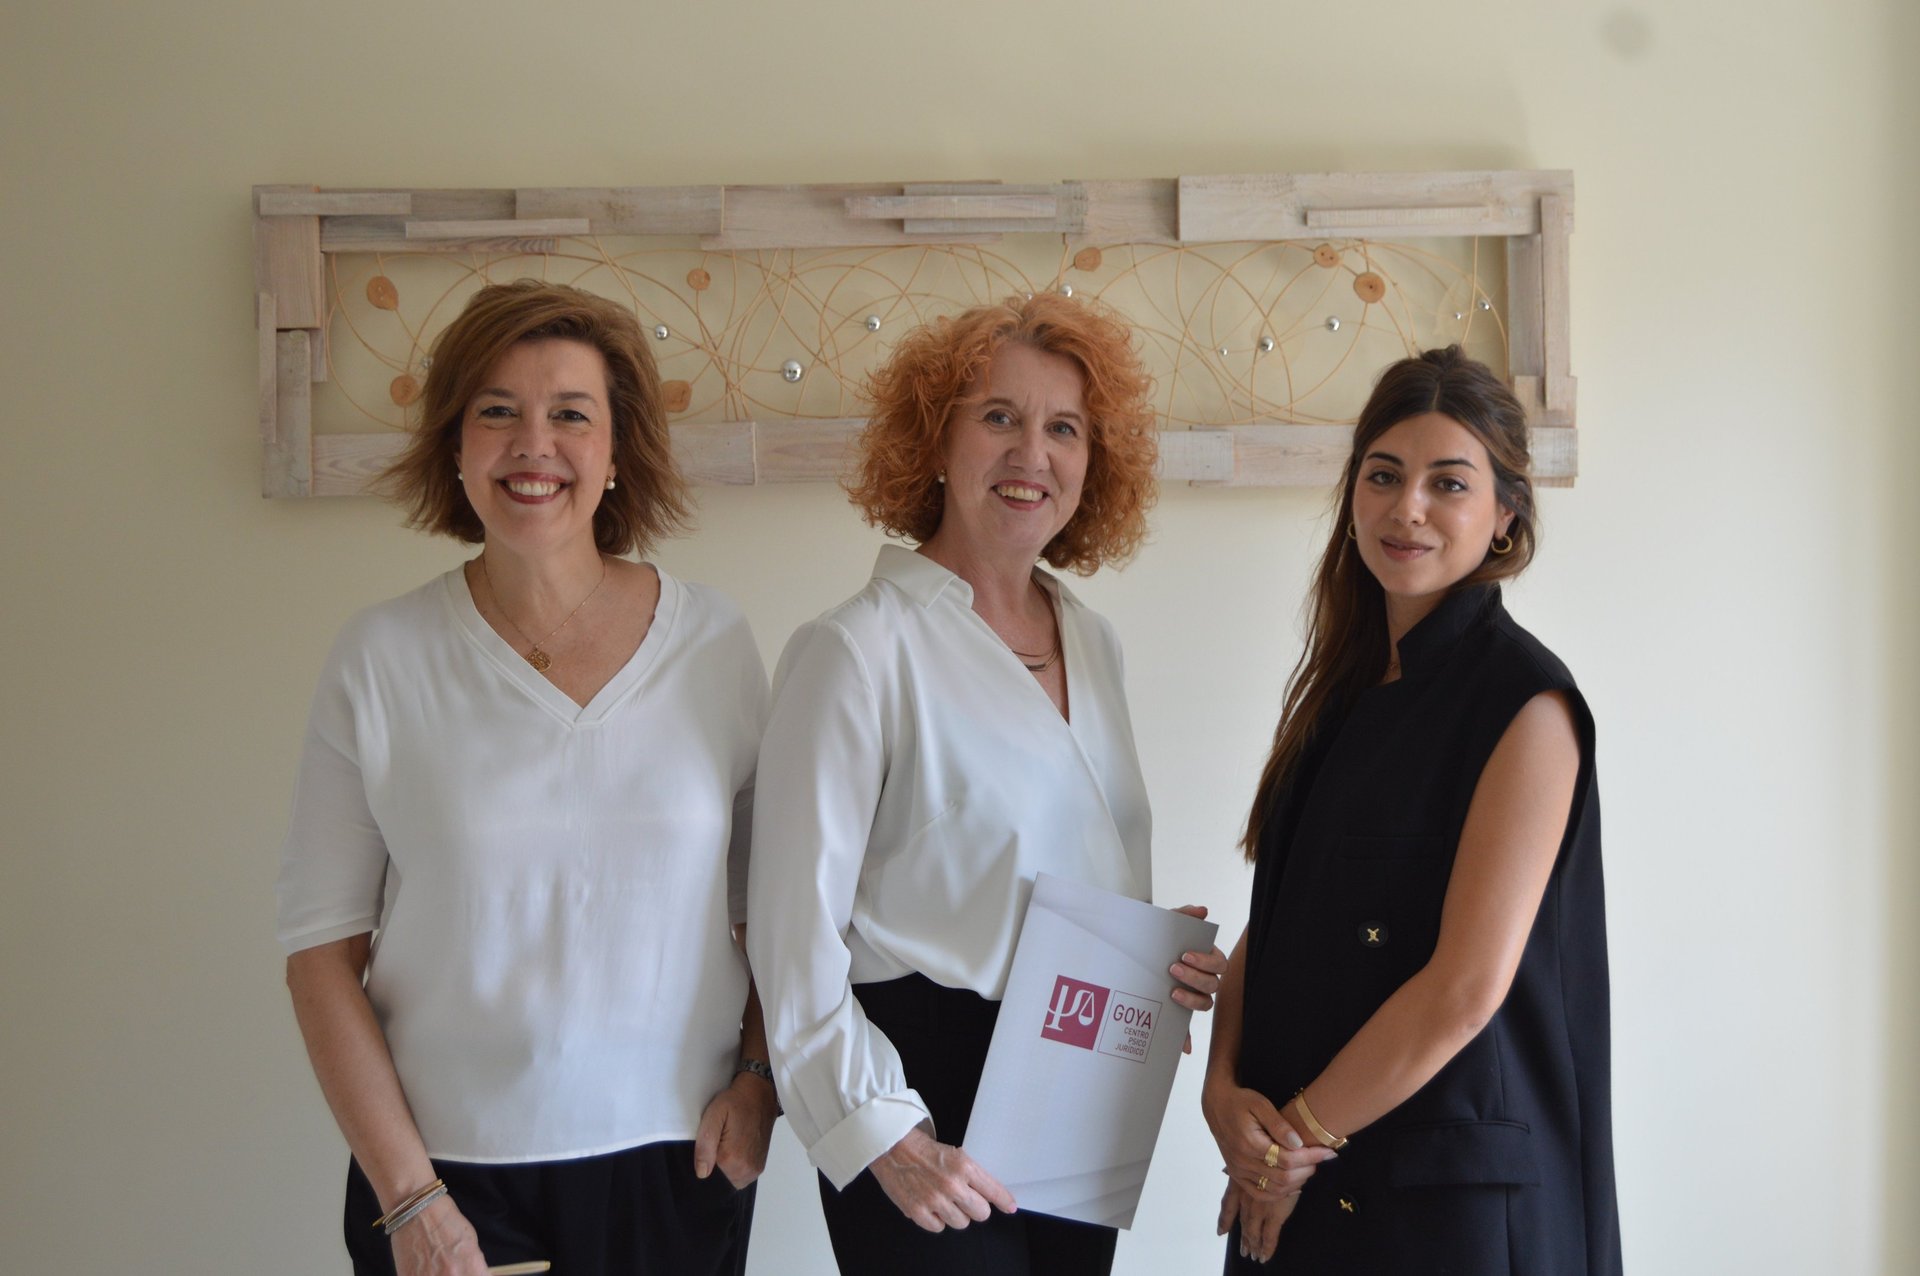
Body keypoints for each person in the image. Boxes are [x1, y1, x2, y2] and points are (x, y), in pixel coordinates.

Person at [276, 281, 776, 1276]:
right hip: (452, 1180)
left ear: (617, 450)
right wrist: (408, 1195)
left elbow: (773, 909)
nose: (531, 443)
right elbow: (318, 951)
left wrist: (761, 1078)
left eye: (570, 415)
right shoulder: (383, 655)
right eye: (496, 410)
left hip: (679, 1160)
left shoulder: (715, 642)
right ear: (456, 445)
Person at [746, 293, 1228, 1275]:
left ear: (1095, 463)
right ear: (935, 439)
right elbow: (791, 941)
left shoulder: (1092, 642)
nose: (1031, 453)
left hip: (1078, 1080)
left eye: (1064, 429)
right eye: (997, 417)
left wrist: (1146, 962)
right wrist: (883, 1134)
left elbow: (1055, 861)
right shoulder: (856, 649)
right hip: (927, 1089)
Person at [1202, 346, 1621, 1271]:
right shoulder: (1341, 694)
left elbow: (1464, 992)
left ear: (1506, 514)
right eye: (1383, 475)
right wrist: (1221, 1085)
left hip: (1436, 1208)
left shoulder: (1528, 705)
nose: (1407, 509)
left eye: (1449, 482)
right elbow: (1275, 923)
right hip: (1300, 1177)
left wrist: (1286, 1146)